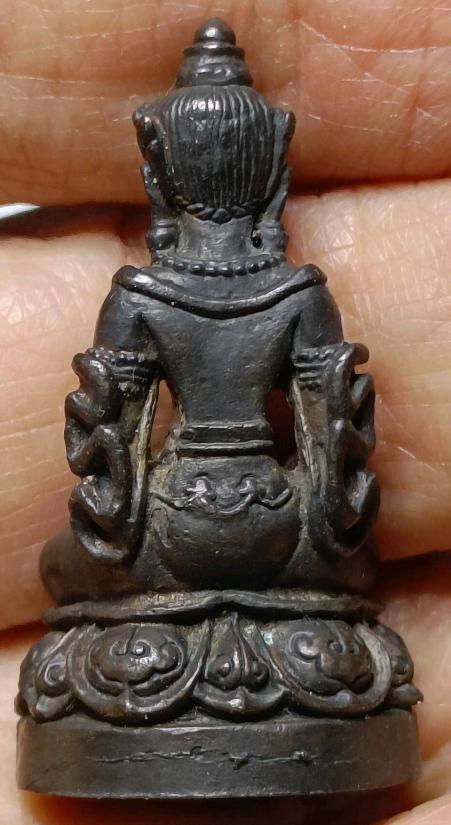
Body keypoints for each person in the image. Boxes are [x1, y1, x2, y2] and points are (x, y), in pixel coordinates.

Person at [1, 1, 451, 823]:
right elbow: (334, 445)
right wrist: (329, 530)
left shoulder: (140, 293)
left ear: (162, 175)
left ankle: (141, 674)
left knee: (62, 568)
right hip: (279, 525)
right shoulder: (300, 292)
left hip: (168, 525)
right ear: (269, 170)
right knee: (356, 571)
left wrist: (117, 522)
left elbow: (109, 446)